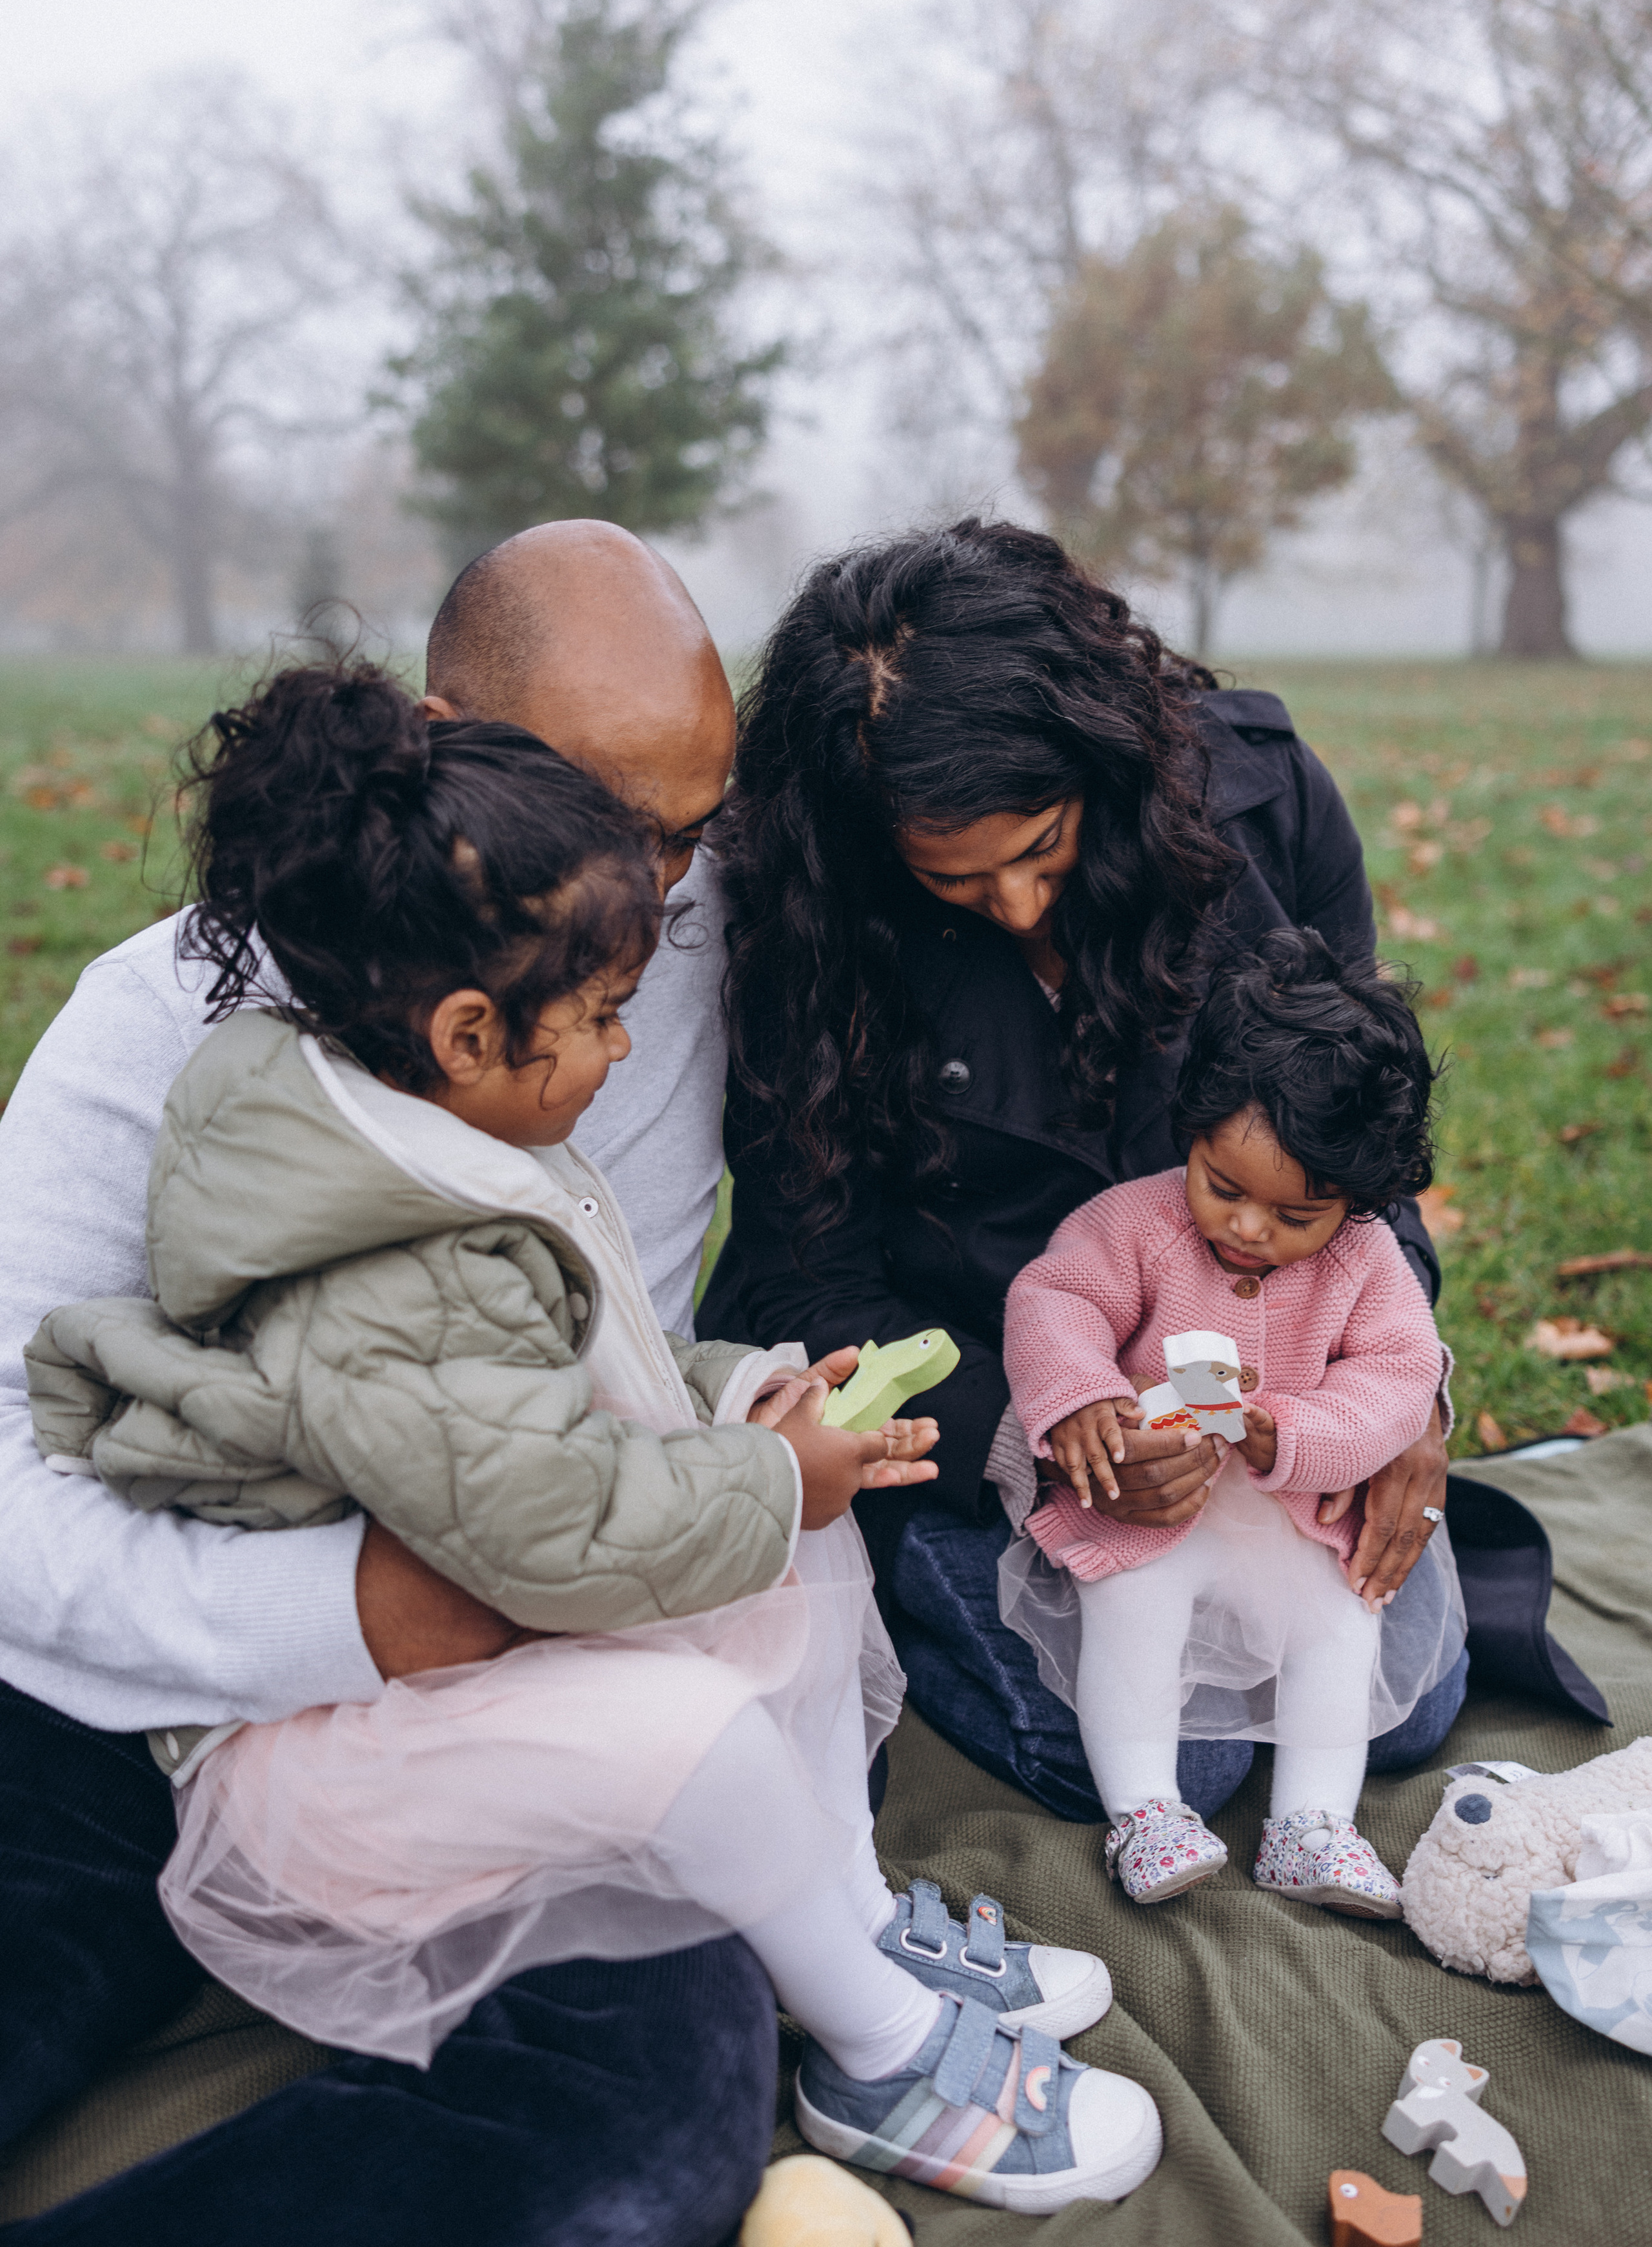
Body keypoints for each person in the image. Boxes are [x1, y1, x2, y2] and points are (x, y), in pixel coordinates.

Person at [28, 661, 1160, 2219]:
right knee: (689, 1728)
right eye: (605, 1008)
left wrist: (738, 1400)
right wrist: (745, 1482)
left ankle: (845, 1918)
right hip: (270, 1709)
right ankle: (889, 2046)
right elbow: (534, 1514)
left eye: (696, 832)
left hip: (513, 1593)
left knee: (794, 1554)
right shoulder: (369, 1229)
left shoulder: (472, 1076)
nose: (675, 892)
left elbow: (570, 1373)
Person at [0, 525, 790, 2247]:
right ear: (446, 743)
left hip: (482, 1685)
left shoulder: (679, 948)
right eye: (617, 823)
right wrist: (345, 1608)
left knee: (666, 2079)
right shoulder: (152, 1031)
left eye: (692, 830)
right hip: (108, 1696)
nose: (660, 894)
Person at [699, 516, 1468, 1824]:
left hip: (1262, 1412)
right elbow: (801, 1272)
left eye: (1039, 849)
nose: (1009, 905)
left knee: (1408, 1712)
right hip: (977, 1408)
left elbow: (1361, 1152)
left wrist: (1412, 1401)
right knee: (1179, 1758)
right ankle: (902, 1585)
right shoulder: (809, 925)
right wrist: (1033, 1439)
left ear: (1098, 763)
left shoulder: (1260, 802)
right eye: (952, 877)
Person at [1002, 932, 1458, 1914]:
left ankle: (1313, 1822)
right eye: (1227, 1187)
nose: (1251, 1228)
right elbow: (1055, 1300)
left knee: (1340, 1627)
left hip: (1292, 1512)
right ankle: (1146, 1810)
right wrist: (1079, 1393)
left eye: (1298, 1215)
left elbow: (1397, 1373)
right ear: (1193, 1129)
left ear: (1362, 1198)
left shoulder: (1366, 1263)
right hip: (1156, 1501)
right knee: (1133, 1614)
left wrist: (1292, 1432)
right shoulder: (1137, 1222)